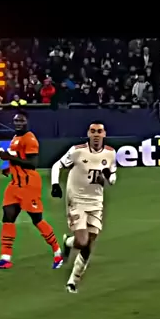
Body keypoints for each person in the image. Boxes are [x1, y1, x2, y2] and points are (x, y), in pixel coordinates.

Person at [0, 111, 63, 269]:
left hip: (29, 185)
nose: (18, 123)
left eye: (21, 121)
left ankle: (57, 252)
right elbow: (20, 158)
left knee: (37, 220)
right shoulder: (16, 138)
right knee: (8, 218)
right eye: (16, 121)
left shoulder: (30, 139)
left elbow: (32, 163)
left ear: (27, 122)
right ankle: (5, 258)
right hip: (15, 184)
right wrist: (9, 169)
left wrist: (9, 158)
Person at [51, 122, 117, 294]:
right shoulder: (77, 151)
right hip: (77, 200)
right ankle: (69, 242)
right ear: (88, 133)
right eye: (93, 131)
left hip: (96, 202)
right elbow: (57, 165)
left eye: (99, 131)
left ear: (104, 134)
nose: (96, 135)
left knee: (90, 242)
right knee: (82, 241)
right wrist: (55, 184)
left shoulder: (110, 153)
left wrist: (109, 177)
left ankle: (72, 281)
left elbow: (112, 178)